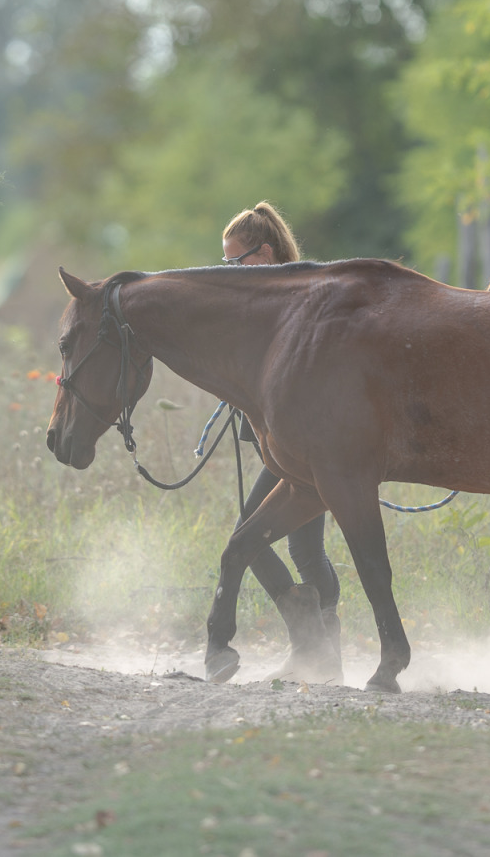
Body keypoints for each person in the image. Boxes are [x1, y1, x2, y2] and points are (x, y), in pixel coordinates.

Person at [221, 201, 342, 682]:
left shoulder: (301, 299)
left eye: (235, 261)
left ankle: (312, 639)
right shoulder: (258, 304)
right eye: (223, 263)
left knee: (246, 536)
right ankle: (322, 649)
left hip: (306, 442)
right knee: (304, 551)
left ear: (265, 254)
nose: (227, 272)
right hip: (286, 441)